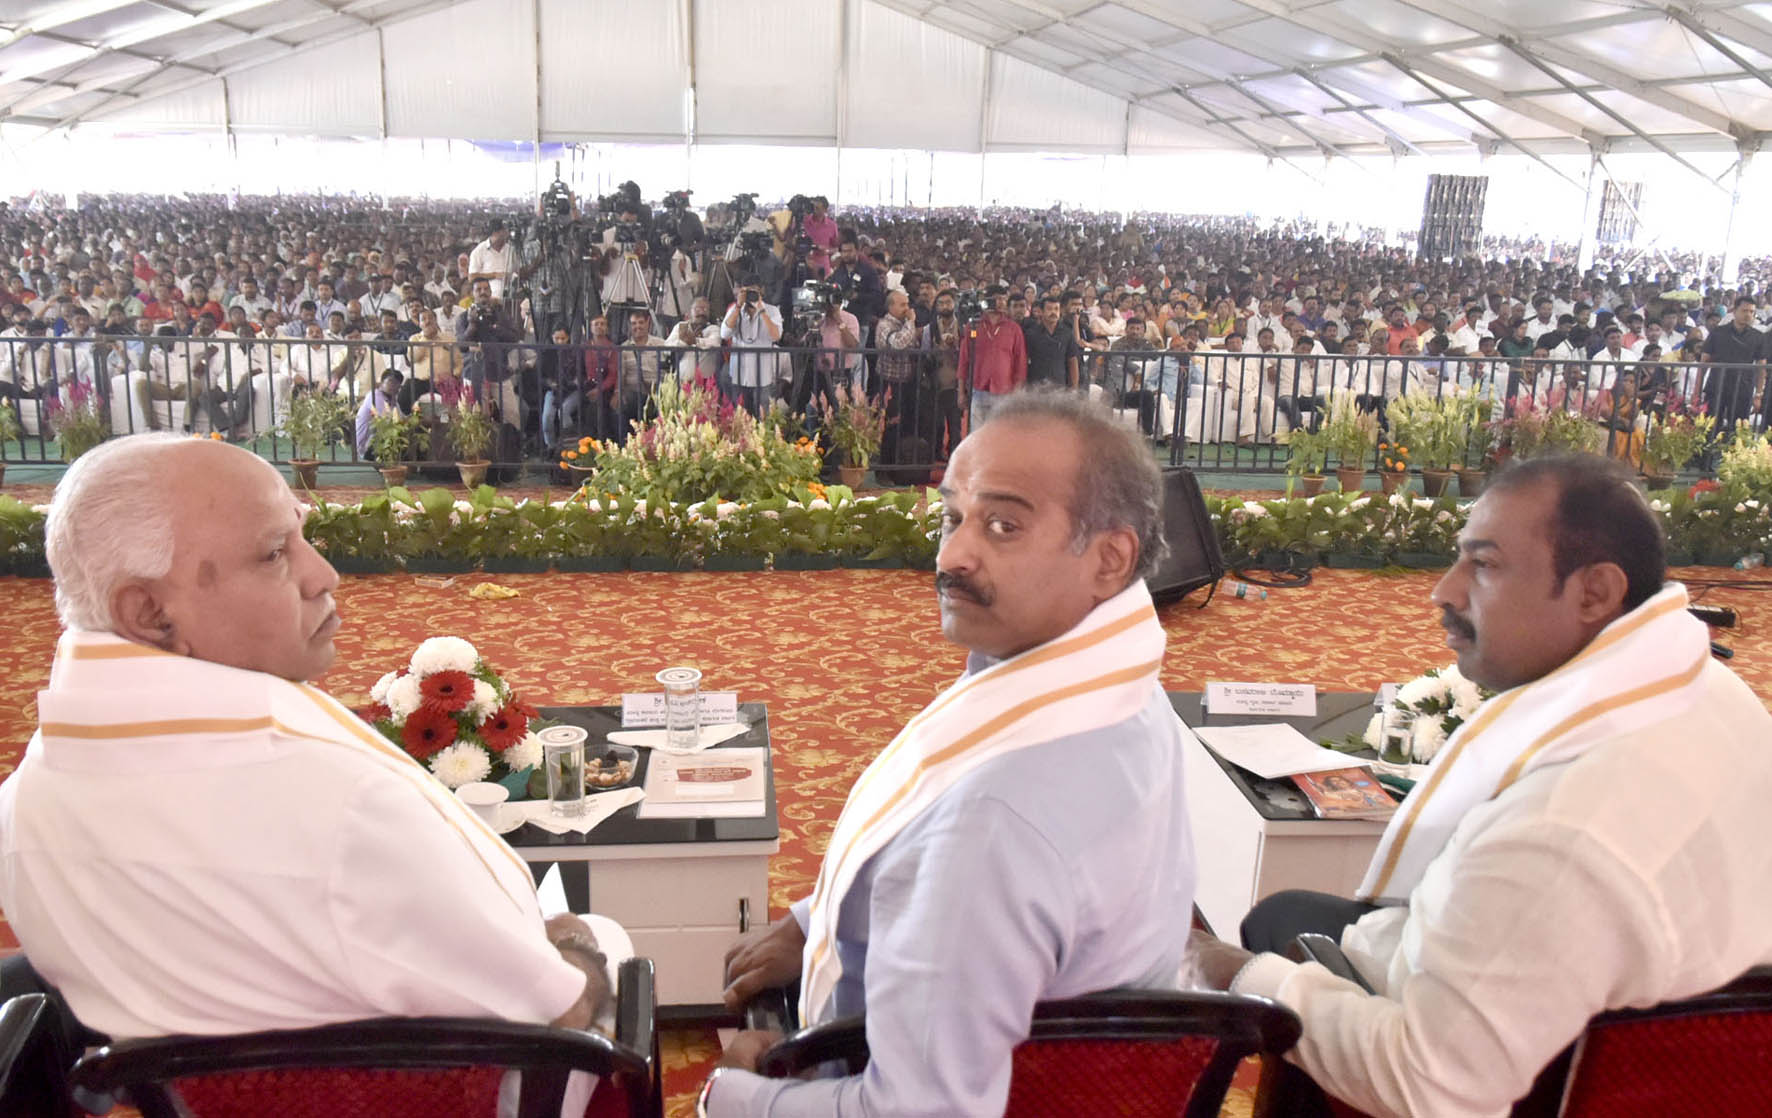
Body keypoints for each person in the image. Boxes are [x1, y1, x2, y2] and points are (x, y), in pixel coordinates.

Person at [0, 435, 627, 1113]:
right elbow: (555, 1010)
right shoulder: (342, 802)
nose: (324, 573)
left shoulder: (21, 811)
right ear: (149, 612)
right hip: (449, 1098)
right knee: (608, 943)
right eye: (274, 554)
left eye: (302, 537)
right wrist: (579, 949)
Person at [1191, 454, 1772, 1118]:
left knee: (1271, 933)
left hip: (1513, 1066)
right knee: (1287, 912)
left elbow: (1431, 1083)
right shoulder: (1708, 685)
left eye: (1485, 565)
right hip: (1684, 1051)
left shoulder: (1557, 835)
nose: (1444, 590)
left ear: (1594, 592)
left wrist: (1230, 972)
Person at [706, 391, 1196, 1116]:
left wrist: (730, 1098)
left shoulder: (991, 824)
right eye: (952, 518)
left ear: (1109, 558)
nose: (952, 555)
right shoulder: (1115, 686)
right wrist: (821, 920)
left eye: (1002, 526)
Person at [957, 285, 1027, 429]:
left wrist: (1017, 393)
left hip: (1005, 392)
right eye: (997, 299)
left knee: (1001, 434)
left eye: (1003, 299)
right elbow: (964, 360)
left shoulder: (1013, 328)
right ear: (987, 300)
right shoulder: (973, 326)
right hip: (978, 390)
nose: (1001, 303)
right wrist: (961, 392)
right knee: (976, 434)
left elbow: (1020, 364)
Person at [721, 278, 783, 417]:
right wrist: (738, 306)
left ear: (762, 291)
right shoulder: (735, 309)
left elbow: (776, 336)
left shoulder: (772, 311)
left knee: (763, 417)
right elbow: (724, 334)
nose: (750, 295)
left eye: (753, 291)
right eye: (747, 291)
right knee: (740, 417)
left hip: (762, 375)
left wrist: (762, 311)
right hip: (738, 373)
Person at [355, 368, 404, 458]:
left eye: (398, 383)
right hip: (368, 448)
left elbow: (402, 418)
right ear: (381, 383)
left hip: (381, 444)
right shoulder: (375, 396)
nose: (394, 386)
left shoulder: (392, 400)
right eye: (391, 382)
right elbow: (390, 421)